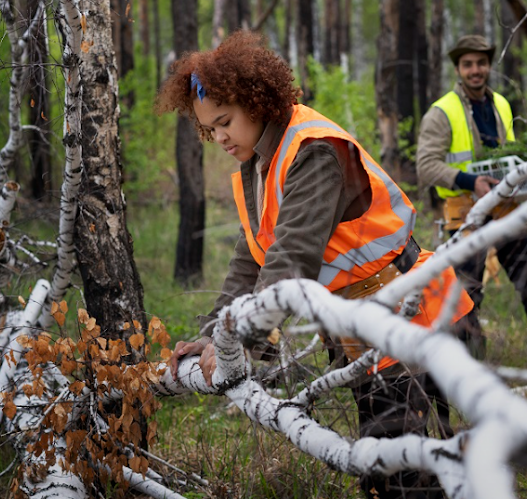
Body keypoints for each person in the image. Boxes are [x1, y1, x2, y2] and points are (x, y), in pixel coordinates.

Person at [157, 31, 474, 499]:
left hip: (412, 318)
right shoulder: (260, 161)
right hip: (366, 328)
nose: (219, 137)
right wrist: (214, 331)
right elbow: (253, 256)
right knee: (390, 475)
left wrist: (242, 340)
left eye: (224, 122)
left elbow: (292, 258)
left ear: (255, 100)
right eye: (209, 129)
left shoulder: (313, 150)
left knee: (403, 479)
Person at [417, 34, 527, 340]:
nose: (475, 70)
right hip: (466, 216)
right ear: (458, 69)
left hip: (507, 208)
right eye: (468, 64)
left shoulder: (502, 104)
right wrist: (470, 181)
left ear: (489, 65)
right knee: (465, 301)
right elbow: (425, 165)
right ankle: (470, 371)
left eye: (481, 63)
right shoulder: (442, 112)